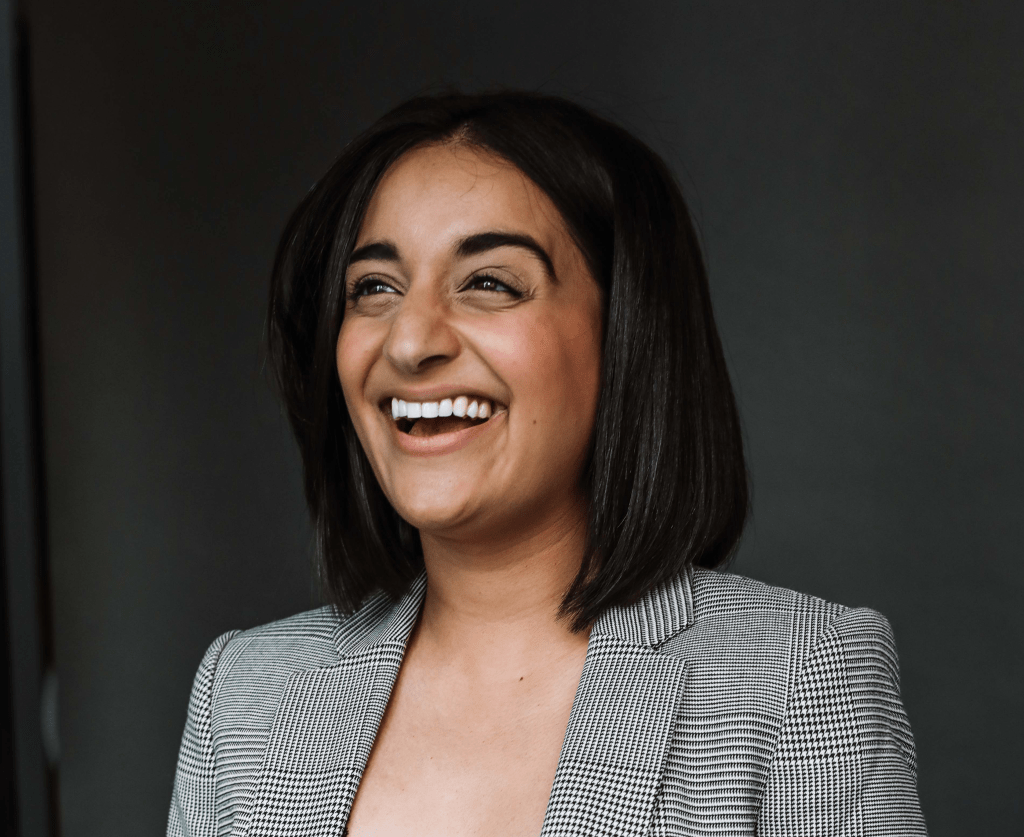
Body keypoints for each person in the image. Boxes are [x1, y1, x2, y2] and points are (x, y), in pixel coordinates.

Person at [167, 91, 926, 836]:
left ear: (626, 330)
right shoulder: (243, 693)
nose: (409, 341)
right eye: (374, 288)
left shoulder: (799, 678)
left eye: (489, 283)